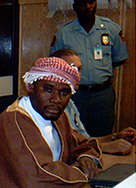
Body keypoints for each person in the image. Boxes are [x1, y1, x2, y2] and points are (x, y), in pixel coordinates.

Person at [0, 57, 102, 188]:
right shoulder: (14, 122)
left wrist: (86, 157)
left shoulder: (57, 116)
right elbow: (35, 177)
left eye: (64, 93)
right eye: (48, 90)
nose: (56, 99)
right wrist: (81, 172)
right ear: (31, 87)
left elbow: (80, 143)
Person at [50, 0, 128, 137]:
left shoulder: (111, 29)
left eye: (91, 2)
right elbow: (56, 65)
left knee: (104, 135)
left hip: (103, 95)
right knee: (74, 136)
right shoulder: (63, 34)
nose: (87, 7)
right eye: (82, 3)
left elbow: (118, 59)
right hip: (76, 95)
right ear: (75, 7)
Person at [51, 49, 135, 155]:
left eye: (79, 69)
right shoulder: (51, 104)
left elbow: (85, 140)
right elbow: (66, 146)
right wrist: (106, 146)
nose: (76, 74)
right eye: (71, 68)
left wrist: (114, 137)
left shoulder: (70, 103)